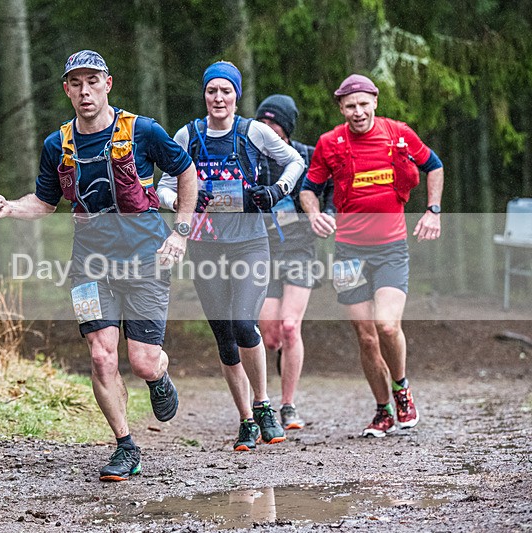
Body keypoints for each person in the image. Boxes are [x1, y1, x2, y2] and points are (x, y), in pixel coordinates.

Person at [0, 50, 198, 480]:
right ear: (67, 90)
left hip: (146, 258)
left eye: (92, 81)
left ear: (108, 84)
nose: (85, 91)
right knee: (101, 358)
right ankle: (125, 446)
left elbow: (187, 172)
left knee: (143, 361)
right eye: (76, 83)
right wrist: (9, 207)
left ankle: (159, 376)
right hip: (89, 265)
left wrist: (181, 232)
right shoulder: (56, 145)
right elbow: (43, 203)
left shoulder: (143, 131)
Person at [157, 61, 305, 451]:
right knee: (224, 338)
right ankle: (245, 421)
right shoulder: (187, 135)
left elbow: (295, 161)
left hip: (250, 244)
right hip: (206, 248)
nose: (218, 98)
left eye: (226, 91)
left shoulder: (252, 132)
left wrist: (277, 190)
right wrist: (183, 201)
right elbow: (162, 187)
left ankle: (263, 405)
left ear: (236, 96)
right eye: (212, 91)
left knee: (243, 324)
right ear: (204, 95)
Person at [299, 74, 444, 438]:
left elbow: (435, 165)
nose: (358, 112)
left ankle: (402, 388)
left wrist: (433, 210)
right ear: (341, 108)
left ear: (375, 102)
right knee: (365, 336)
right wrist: (314, 213)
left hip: (391, 249)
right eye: (350, 106)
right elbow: (309, 189)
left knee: (387, 325)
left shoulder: (398, 134)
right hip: (348, 252)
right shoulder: (329, 143)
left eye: (364, 104)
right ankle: (382, 411)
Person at [254, 94, 334, 431]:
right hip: (262, 251)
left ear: (286, 127)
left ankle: (287, 405)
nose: (268, 129)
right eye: (264, 122)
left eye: (274, 123)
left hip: (301, 249)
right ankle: (272, 375)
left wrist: (327, 216)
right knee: (269, 336)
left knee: (291, 327)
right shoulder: (251, 156)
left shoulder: (308, 156)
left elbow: (329, 194)